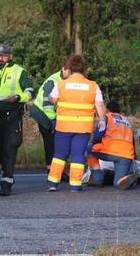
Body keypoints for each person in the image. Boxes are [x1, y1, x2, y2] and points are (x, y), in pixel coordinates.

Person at [46, 54, 107, 192]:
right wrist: (102, 121)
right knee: (78, 154)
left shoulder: (61, 84)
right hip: (83, 127)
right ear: (83, 69)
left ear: (70, 68)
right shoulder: (93, 86)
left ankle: (53, 183)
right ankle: (75, 185)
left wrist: (50, 96)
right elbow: (100, 105)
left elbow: (52, 99)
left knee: (60, 154)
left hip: (64, 126)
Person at [0, 44, 33, 196]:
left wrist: (18, 98)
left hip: (12, 113)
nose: (1, 58)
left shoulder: (19, 71)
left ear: (10, 56)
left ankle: (7, 180)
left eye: (4, 55)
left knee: (10, 145)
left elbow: (30, 92)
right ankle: (5, 170)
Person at [86, 99, 139, 190]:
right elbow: (132, 141)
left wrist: (95, 143)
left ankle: (97, 180)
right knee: (118, 183)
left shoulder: (106, 118)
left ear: (107, 109)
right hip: (126, 155)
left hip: (111, 151)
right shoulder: (126, 121)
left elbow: (97, 135)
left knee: (89, 149)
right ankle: (125, 178)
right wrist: (133, 157)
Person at [29, 62, 65, 170]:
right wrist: (53, 120)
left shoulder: (63, 80)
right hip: (43, 115)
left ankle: (56, 171)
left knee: (54, 145)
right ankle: (52, 172)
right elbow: (47, 104)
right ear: (63, 69)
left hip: (46, 114)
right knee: (51, 145)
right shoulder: (54, 80)